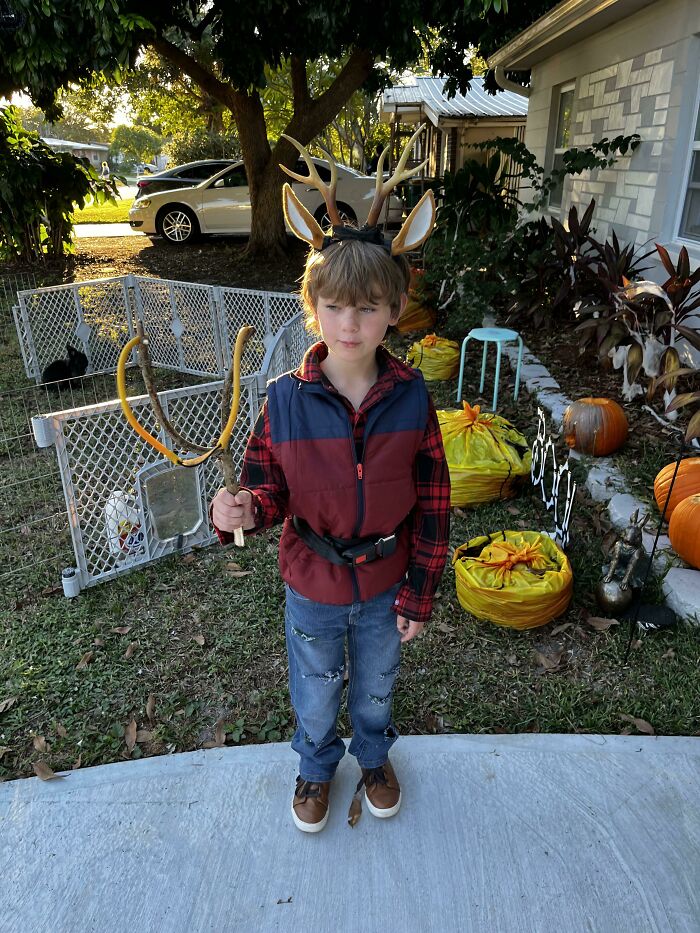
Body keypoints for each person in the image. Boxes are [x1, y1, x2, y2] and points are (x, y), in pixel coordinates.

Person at [211, 131, 449, 833]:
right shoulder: (283, 399)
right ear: (313, 307)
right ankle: (316, 764)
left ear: (395, 311)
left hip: (385, 582)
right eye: (337, 307)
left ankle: (372, 754)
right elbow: (267, 488)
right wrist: (242, 508)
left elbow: (433, 503)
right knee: (316, 690)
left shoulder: (411, 398)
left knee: (375, 687)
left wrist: (420, 589)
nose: (352, 322)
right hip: (311, 582)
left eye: (369, 307)